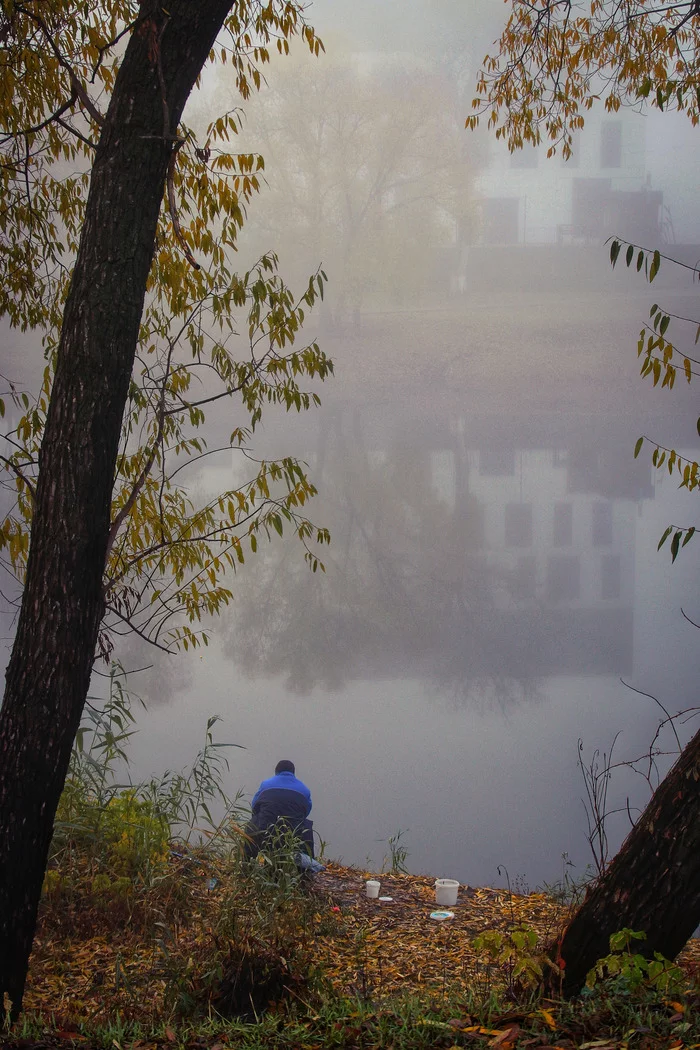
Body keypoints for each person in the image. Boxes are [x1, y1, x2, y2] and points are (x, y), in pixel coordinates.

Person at [244, 759, 315, 861]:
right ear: (293, 773)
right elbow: (306, 812)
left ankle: (247, 863)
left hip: (266, 832)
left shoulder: (265, 785)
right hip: (293, 834)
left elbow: (255, 807)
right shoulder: (304, 789)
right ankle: (307, 868)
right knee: (307, 826)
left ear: (276, 772)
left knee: (251, 825)